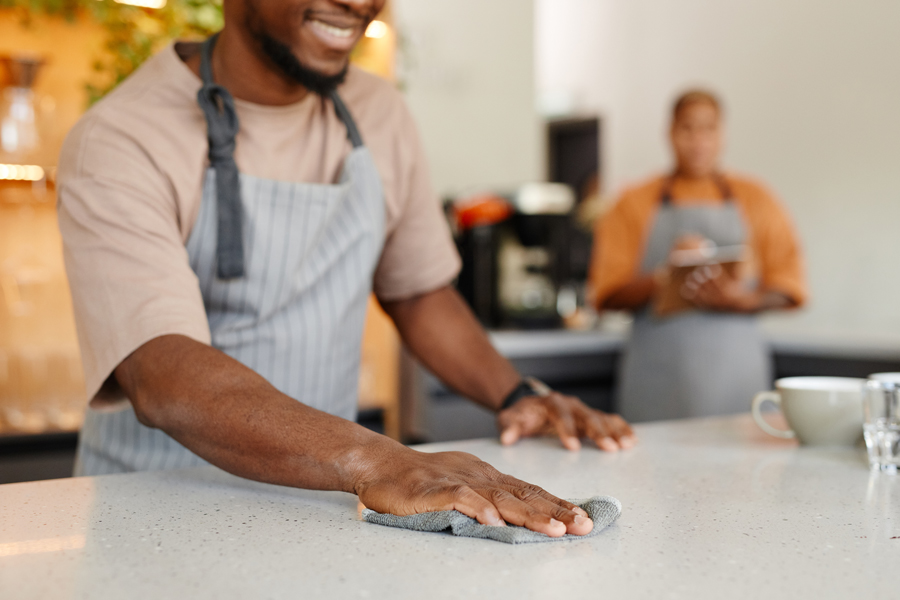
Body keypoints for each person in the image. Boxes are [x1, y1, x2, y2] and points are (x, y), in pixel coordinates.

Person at [57, 0, 635, 538]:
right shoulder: (121, 138)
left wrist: (516, 393)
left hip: (317, 505)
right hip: (154, 513)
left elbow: (419, 293)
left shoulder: (378, 113)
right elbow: (161, 373)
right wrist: (381, 461)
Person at [588, 89, 806, 423]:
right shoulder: (632, 204)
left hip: (736, 381)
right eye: (687, 129)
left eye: (708, 129)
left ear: (723, 134)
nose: (698, 141)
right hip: (657, 382)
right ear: (670, 133)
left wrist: (743, 300)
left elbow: (789, 288)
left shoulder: (757, 199)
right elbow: (606, 294)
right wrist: (667, 276)